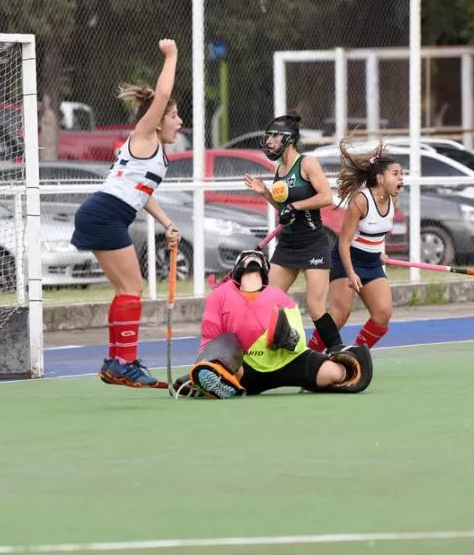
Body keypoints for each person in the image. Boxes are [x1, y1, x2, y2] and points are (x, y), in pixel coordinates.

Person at [70, 39, 182, 388]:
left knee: (124, 289)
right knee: (133, 287)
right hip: (104, 213)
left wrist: (167, 222)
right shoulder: (144, 135)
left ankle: (115, 362)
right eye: (175, 116)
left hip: (107, 213)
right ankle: (125, 362)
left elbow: (142, 195)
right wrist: (171, 55)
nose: (180, 122)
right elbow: (161, 96)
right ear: (157, 120)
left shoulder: (156, 153)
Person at [170, 249, 372, 399]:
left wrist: (290, 338)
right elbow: (210, 342)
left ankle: (214, 377)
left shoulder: (278, 297)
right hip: (248, 366)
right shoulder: (219, 297)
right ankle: (213, 376)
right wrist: (205, 362)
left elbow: (300, 344)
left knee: (339, 373)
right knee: (226, 348)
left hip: (287, 361)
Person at [243, 113, 344, 354]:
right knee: (269, 300)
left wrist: (296, 206)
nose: (269, 143)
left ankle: (338, 350)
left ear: (288, 139)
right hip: (288, 243)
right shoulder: (280, 170)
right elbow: (284, 210)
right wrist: (265, 193)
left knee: (315, 305)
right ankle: (288, 341)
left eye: (274, 137)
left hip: (312, 243)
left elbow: (326, 197)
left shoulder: (307, 163)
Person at [325, 137, 404, 349]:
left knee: (382, 314)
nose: (401, 179)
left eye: (401, 174)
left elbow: (377, 232)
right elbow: (343, 243)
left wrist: (379, 252)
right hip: (346, 261)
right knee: (340, 315)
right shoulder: (360, 201)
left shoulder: (392, 199)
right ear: (380, 178)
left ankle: (355, 355)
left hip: (372, 263)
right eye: (395, 174)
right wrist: (351, 273)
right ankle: (308, 358)